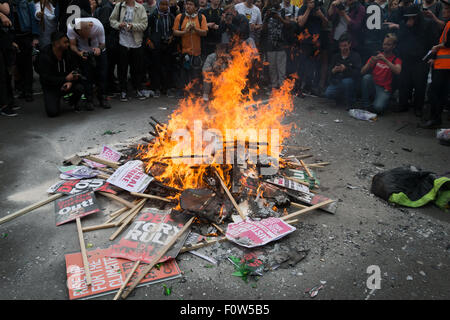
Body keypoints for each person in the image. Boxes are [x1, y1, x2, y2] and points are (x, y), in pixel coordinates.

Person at [387, 5, 434, 115]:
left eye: (412, 18)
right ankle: (403, 104)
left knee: (420, 84)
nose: (410, 21)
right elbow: (400, 40)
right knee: (404, 83)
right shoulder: (404, 25)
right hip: (406, 58)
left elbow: (432, 42)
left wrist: (429, 58)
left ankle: (418, 107)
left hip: (421, 59)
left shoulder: (427, 24)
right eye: (408, 18)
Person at [36, 32, 83, 116]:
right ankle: (54, 99)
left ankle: (72, 102)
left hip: (67, 83)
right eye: (65, 42)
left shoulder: (68, 52)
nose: (68, 44)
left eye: (68, 42)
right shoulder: (44, 56)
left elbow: (76, 68)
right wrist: (65, 79)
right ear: (56, 43)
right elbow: (45, 78)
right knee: (52, 113)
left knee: (80, 86)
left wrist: (71, 81)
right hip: (51, 87)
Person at [68, 17, 110, 109]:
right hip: (83, 51)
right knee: (87, 76)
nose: (86, 38)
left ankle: (103, 97)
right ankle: (89, 99)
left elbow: (103, 43)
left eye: (88, 36)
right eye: (83, 37)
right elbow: (72, 45)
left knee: (102, 74)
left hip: (98, 49)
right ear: (78, 31)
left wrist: (99, 48)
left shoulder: (98, 26)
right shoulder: (71, 27)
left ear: (90, 28)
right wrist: (79, 53)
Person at [110, 0, 148, 102]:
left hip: (136, 43)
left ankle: (137, 89)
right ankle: (123, 91)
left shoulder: (140, 8)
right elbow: (112, 20)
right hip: (122, 42)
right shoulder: (119, 6)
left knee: (137, 68)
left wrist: (133, 26)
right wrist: (119, 25)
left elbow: (144, 25)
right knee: (122, 68)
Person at [420, 0, 450, 128]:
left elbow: (448, 43)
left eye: (446, 9)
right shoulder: (448, 24)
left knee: (435, 92)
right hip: (441, 64)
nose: (443, 11)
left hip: (445, 66)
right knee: (439, 93)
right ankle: (435, 118)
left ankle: (435, 119)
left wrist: (436, 47)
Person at [172, 0, 208, 98]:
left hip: (197, 53)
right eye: (187, 4)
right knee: (183, 74)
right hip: (184, 52)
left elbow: (205, 32)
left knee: (195, 75)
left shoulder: (201, 18)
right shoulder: (180, 17)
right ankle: (182, 94)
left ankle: (194, 94)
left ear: (196, 7)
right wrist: (184, 32)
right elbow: (175, 31)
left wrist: (195, 29)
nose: (188, 6)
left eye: (191, 4)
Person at [360, 33, 402, 114]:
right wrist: (370, 63)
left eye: (388, 44)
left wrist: (386, 60)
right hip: (374, 84)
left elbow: (398, 71)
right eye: (384, 44)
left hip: (385, 89)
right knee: (366, 78)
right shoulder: (377, 55)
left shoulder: (396, 59)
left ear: (394, 46)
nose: (385, 46)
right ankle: (366, 105)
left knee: (378, 108)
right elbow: (362, 71)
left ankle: (384, 101)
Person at [10, 0, 40, 102]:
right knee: (18, 65)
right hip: (14, 37)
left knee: (27, 65)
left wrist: (35, 37)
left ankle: (28, 92)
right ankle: (23, 90)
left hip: (25, 36)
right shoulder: (9, 3)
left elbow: (33, 19)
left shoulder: (27, 3)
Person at [297, 0, 328, 95]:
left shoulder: (320, 8)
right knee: (302, 65)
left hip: (316, 42)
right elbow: (300, 23)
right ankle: (298, 87)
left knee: (313, 66)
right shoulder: (303, 7)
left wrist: (321, 16)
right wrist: (308, 9)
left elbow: (326, 24)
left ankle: (309, 87)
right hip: (305, 41)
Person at [146, 0, 176, 98]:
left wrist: (171, 37)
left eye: (166, 4)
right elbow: (146, 30)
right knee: (156, 67)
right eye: (162, 4)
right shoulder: (153, 16)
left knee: (167, 67)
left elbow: (174, 29)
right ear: (158, 5)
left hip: (168, 46)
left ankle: (167, 88)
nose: (164, 6)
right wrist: (149, 41)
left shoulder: (171, 16)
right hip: (156, 45)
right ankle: (156, 88)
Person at [324, 33, 361, 108]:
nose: (343, 48)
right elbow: (329, 72)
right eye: (341, 46)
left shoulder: (355, 56)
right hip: (337, 81)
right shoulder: (336, 56)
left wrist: (345, 69)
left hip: (350, 83)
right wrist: (333, 71)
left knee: (347, 82)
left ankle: (350, 102)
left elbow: (358, 73)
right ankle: (339, 99)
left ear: (349, 44)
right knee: (328, 93)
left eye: (345, 46)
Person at [261, 0, 289, 90]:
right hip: (269, 44)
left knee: (281, 68)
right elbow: (263, 29)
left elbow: (289, 25)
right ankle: (274, 86)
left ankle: (282, 87)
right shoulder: (266, 10)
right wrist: (267, 18)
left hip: (281, 43)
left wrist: (279, 18)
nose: (275, 1)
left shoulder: (284, 11)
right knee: (272, 68)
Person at [95, 0, 120, 97]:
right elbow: (105, 25)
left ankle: (108, 87)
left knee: (108, 66)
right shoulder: (107, 7)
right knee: (109, 66)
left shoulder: (106, 6)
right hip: (110, 40)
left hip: (108, 40)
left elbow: (104, 25)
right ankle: (109, 87)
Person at [0, 0, 18, 117]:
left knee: (7, 72)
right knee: (1, 72)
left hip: (4, 38)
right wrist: (1, 14)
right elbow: (5, 10)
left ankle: (8, 102)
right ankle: (4, 105)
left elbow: (7, 9)